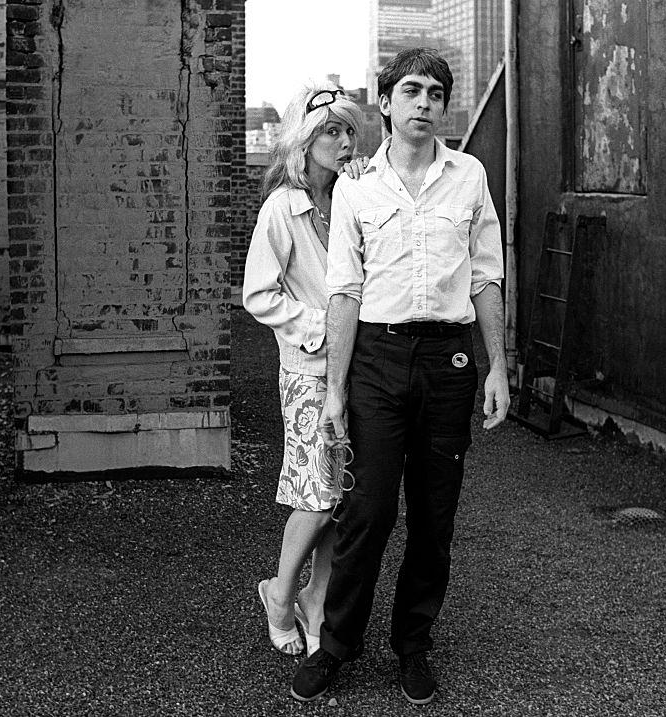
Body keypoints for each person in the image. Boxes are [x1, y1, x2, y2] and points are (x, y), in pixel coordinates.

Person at [290, 48, 510, 704]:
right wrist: (333, 392)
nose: (423, 103)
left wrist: (498, 365)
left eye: (436, 94)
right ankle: (336, 642)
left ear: (445, 106)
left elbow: (486, 277)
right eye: (410, 90)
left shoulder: (469, 177)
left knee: (435, 514)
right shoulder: (358, 185)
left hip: (450, 362)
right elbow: (344, 292)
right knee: (370, 507)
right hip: (379, 363)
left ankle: (413, 642)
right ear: (385, 102)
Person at [243, 83, 364, 658]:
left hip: (358, 368)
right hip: (309, 369)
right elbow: (258, 295)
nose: (343, 142)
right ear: (304, 142)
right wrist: (323, 323)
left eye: (348, 131)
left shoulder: (355, 199)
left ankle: (317, 599)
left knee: (342, 495)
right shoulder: (280, 209)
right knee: (315, 494)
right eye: (330, 132)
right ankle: (279, 594)